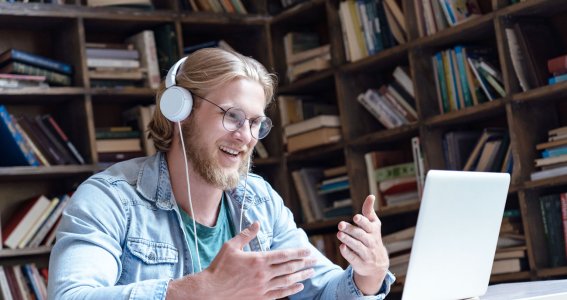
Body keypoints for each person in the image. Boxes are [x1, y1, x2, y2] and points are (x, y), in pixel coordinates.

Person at [48, 48, 395, 299]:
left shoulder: (259, 200)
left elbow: (321, 291)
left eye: (256, 123)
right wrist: (199, 290)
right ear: (179, 110)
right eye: (232, 116)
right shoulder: (110, 199)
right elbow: (72, 296)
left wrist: (369, 275)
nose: (245, 137)